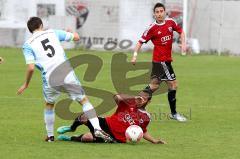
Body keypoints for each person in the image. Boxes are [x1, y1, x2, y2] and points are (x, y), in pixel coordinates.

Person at [17, 17, 113, 142]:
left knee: (49, 105)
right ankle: (97, 128)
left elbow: (30, 68)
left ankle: (50, 136)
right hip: (67, 74)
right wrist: (71, 31)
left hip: (50, 78)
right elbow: (76, 37)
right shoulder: (52, 32)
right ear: (41, 25)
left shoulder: (27, 45)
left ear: (30, 30)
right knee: (84, 101)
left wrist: (26, 84)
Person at [131, 3, 187, 122]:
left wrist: (183, 44)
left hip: (163, 62)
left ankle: (135, 106)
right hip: (161, 62)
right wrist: (135, 56)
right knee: (173, 84)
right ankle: (174, 114)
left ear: (165, 12)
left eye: (161, 11)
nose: (160, 14)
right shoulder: (152, 28)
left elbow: (181, 32)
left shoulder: (171, 23)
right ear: (154, 14)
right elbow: (140, 42)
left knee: (154, 86)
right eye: (157, 12)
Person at [57, 91, 166, 144]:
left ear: (149, 101)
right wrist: (133, 97)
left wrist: (154, 141)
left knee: (87, 138)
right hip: (106, 122)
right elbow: (116, 96)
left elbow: (143, 131)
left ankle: (70, 138)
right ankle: (72, 128)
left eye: (144, 99)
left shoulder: (146, 117)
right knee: (85, 116)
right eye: (140, 97)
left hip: (115, 137)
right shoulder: (129, 102)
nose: (141, 100)